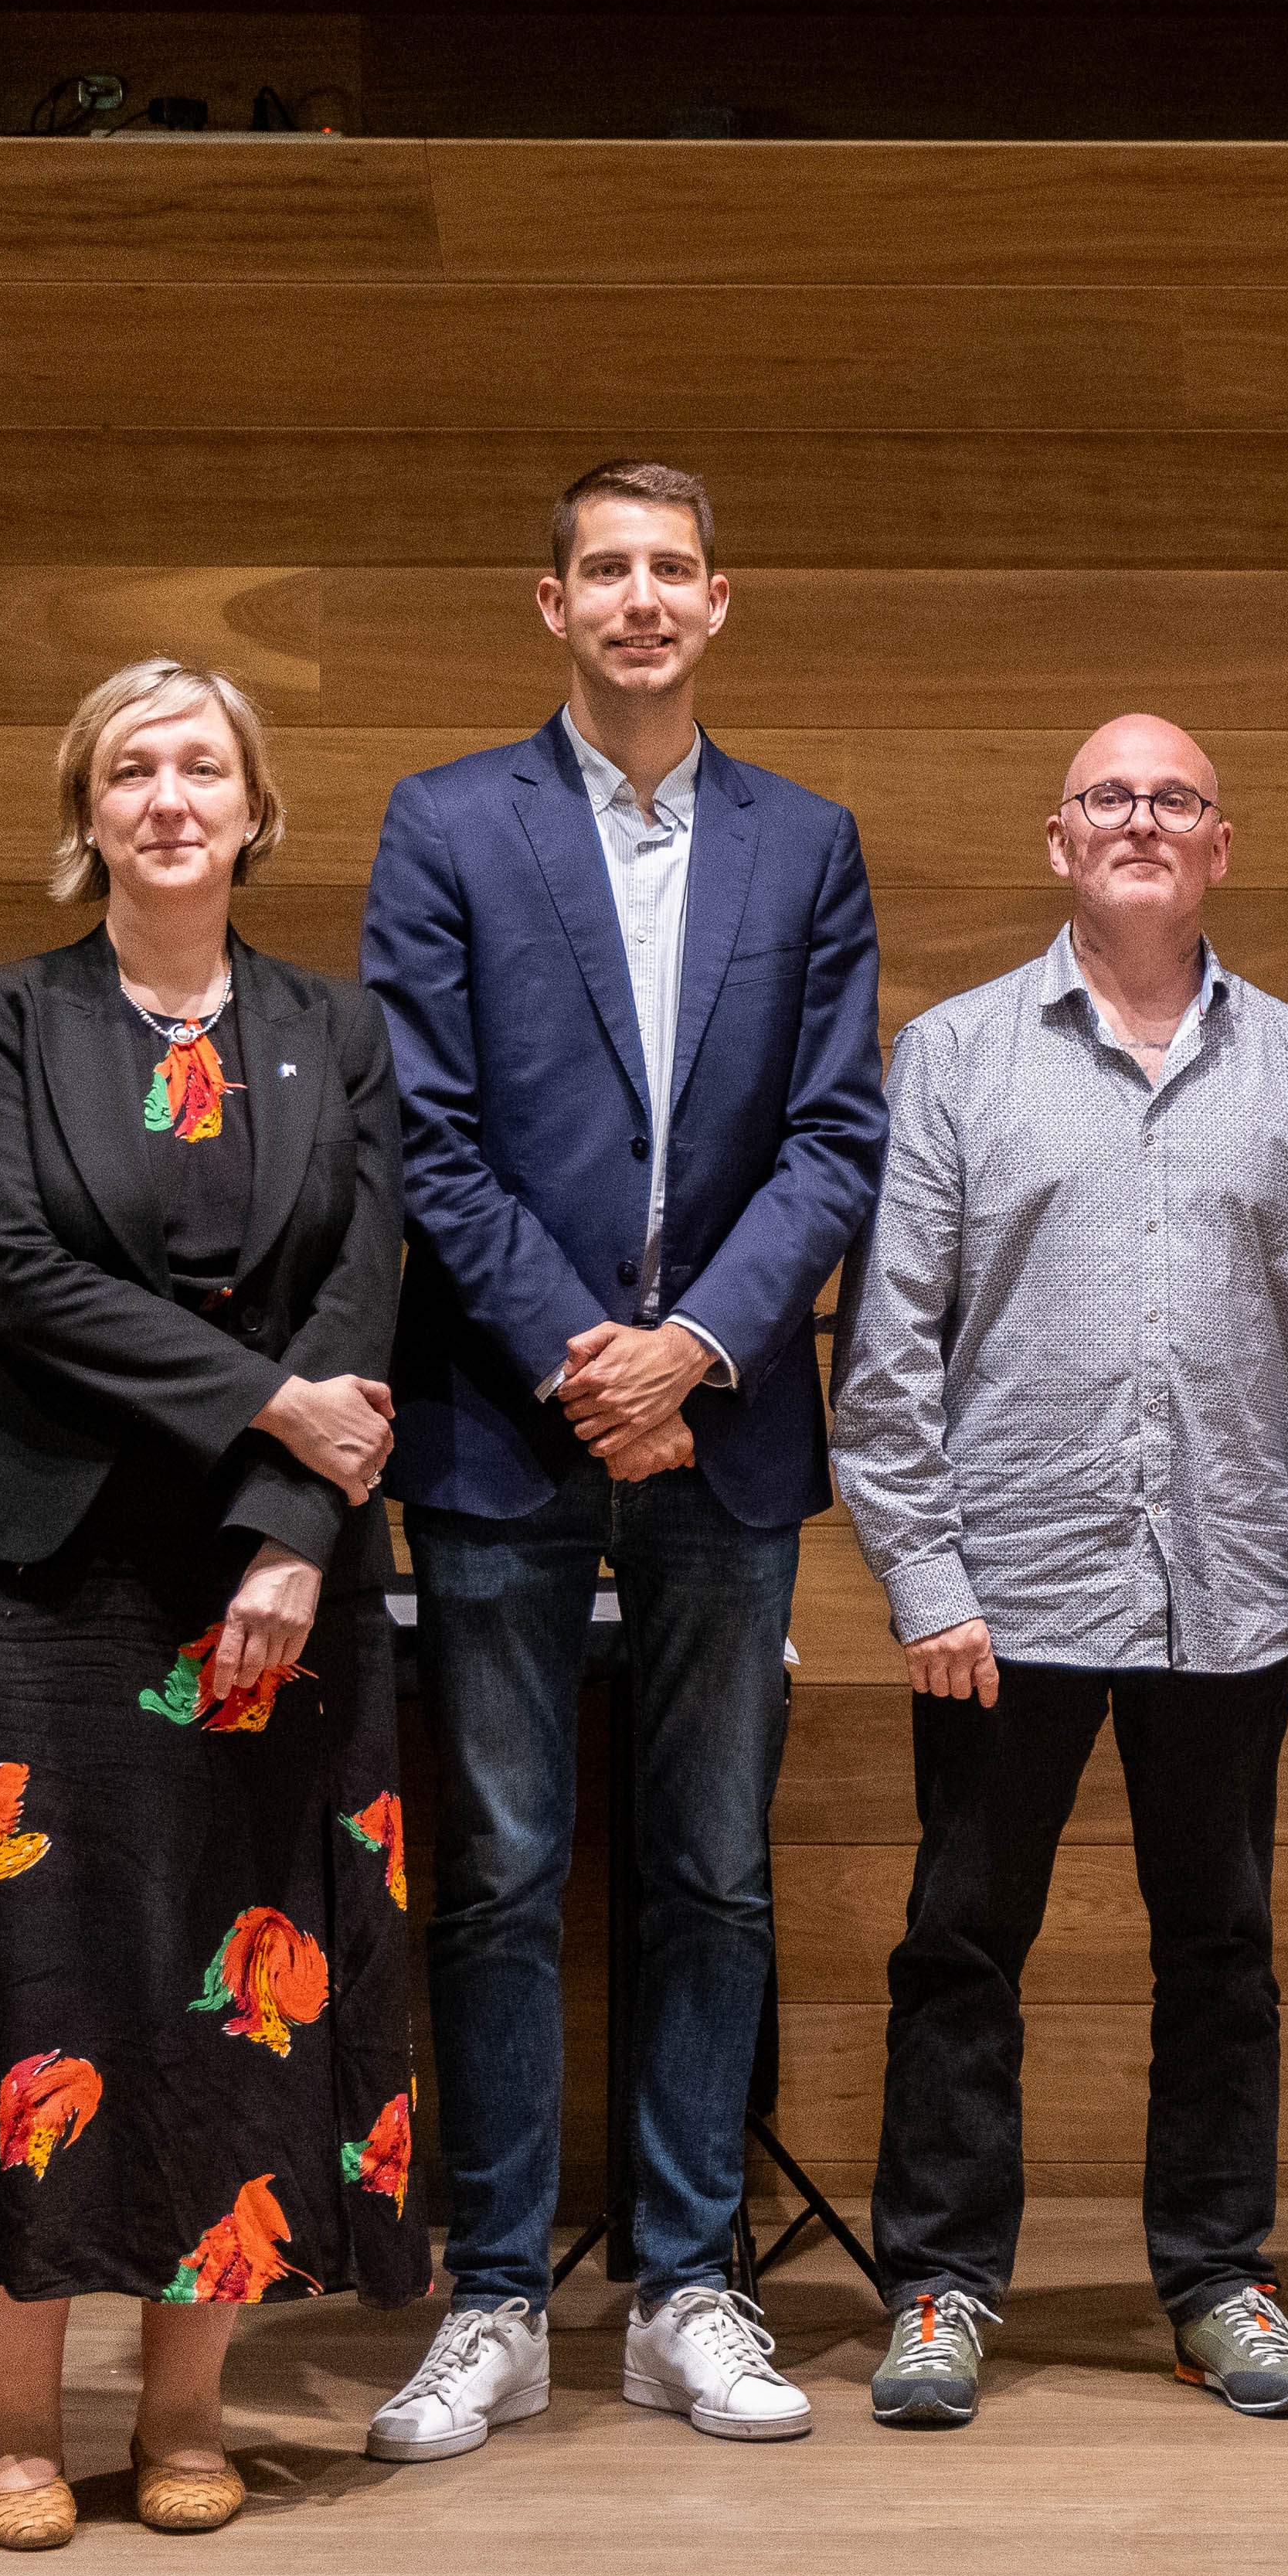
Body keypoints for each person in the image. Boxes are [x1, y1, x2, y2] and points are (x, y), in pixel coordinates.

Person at [0, 660, 420, 2548]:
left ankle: (189, 2412)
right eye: (131, 770)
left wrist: (289, 1530)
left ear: (256, 809)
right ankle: (19, 2427)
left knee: (228, 1984)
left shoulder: (335, 1031)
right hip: (28, 1573)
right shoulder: (2, 1016)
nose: (169, 797)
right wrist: (265, 1399)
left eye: (203, 767)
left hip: (261, 1582)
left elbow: (359, 1285)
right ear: (84, 810)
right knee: (33, 1979)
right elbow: (12, 1265)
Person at [359, 461, 888, 2456]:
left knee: (712, 1871)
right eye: (608, 570)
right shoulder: (446, 824)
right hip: (504, 1421)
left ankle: (686, 2288)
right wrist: (587, 1357)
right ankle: (492, 2296)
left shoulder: (806, 841)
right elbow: (422, 1128)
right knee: (495, 1873)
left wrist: (693, 1349)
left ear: (721, 600)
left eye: (673, 569)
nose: (642, 598)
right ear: (551, 603)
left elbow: (836, 1134)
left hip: (726, 1428)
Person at [831, 713, 1288, 2428]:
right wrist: (926, 1578)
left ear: (1221, 845)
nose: (1143, 821)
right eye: (1112, 798)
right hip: (1001, 1601)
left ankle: (1218, 2279)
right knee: (960, 1942)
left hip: (1236, 1593)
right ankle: (942, 2288)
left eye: (1175, 799)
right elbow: (886, 1359)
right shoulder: (950, 1059)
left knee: (1224, 1950)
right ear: (1058, 838)